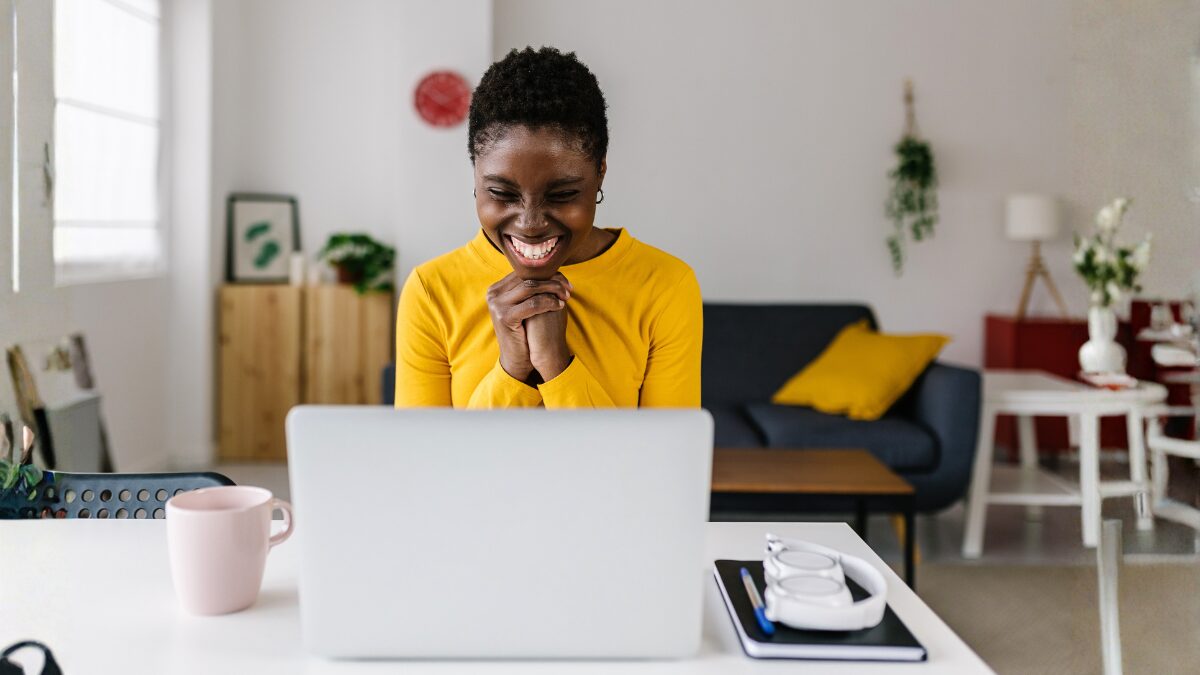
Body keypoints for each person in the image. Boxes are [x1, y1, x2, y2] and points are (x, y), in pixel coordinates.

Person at [394, 46, 701, 408]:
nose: (531, 223)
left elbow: (660, 459)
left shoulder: (665, 286)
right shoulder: (432, 292)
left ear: (600, 172)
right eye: (501, 193)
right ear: (475, 174)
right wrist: (513, 368)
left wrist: (556, 364)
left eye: (563, 194)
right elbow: (428, 460)